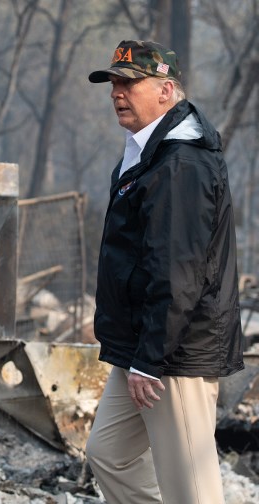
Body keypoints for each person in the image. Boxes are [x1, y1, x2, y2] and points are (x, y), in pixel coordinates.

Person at [84, 40, 245, 503]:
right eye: (114, 82)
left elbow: (178, 273)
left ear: (166, 89)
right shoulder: (148, 152)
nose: (117, 92)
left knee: (192, 493)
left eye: (130, 82)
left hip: (175, 354)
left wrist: (148, 360)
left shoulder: (181, 161)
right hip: (144, 347)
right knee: (107, 453)